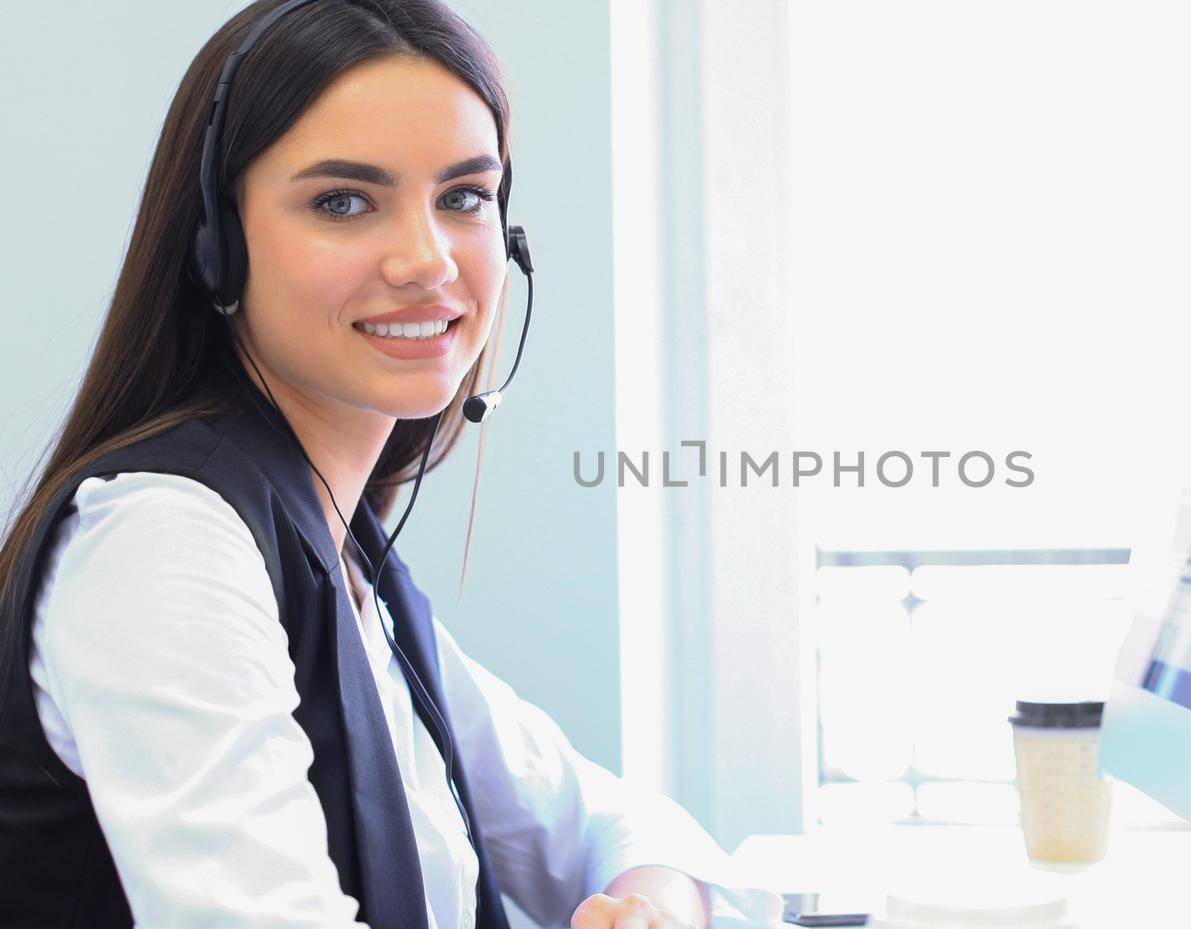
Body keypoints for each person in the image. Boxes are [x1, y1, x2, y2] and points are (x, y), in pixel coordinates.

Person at [0, 2, 781, 927]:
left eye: (464, 197)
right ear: (216, 243)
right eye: (343, 200)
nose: (427, 258)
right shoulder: (167, 542)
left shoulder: (346, 557)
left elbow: (606, 822)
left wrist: (652, 907)